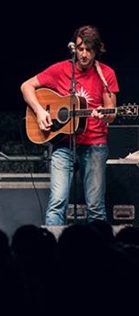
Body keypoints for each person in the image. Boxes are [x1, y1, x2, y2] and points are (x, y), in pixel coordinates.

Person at [20, 24, 119, 226]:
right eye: (80, 49)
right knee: (57, 202)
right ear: (74, 48)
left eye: (89, 50)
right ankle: (52, 243)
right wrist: (39, 111)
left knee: (95, 206)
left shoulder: (106, 74)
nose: (84, 54)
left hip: (94, 144)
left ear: (96, 51)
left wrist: (103, 116)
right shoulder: (61, 70)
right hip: (63, 143)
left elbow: (111, 113)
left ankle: (99, 244)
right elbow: (26, 86)